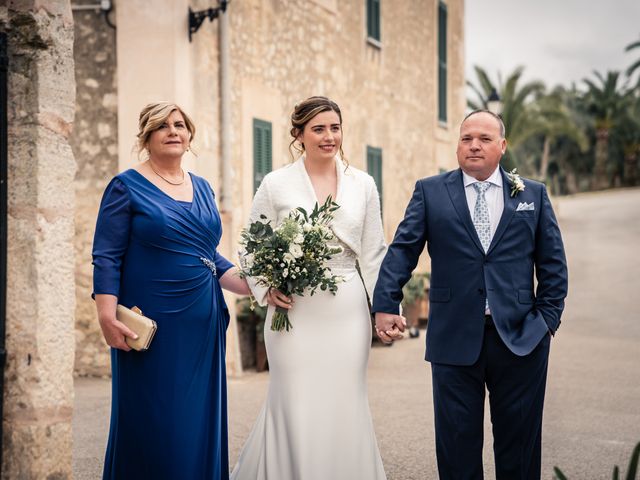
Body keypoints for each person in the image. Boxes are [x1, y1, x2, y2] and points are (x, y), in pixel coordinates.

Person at [372, 110, 568, 479]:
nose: (474, 145)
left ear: (502, 146)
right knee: (457, 445)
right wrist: (385, 304)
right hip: (453, 337)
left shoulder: (533, 195)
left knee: (520, 445)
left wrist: (547, 321)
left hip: (521, 339)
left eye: (484, 138)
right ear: (458, 145)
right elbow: (402, 249)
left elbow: (553, 263)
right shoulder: (430, 191)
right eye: (466, 138)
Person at [231, 96, 388, 480]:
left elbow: (373, 253)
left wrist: (385, 306)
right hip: (293, 311)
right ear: (299, 134)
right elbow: (251, 243)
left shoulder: (363, 184)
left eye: (335, 127)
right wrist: (266, 288)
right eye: (319, 129)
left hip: (347, 310)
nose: (329, 136)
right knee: (294, 399)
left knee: (345, 398)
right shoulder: (275, 183)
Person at [92, 101, 250, 480]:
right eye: (162, 126)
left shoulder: (203, 187)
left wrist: (251, 285)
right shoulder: (125, 186)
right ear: (146, 138)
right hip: (151, 327)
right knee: (156, 420)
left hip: (202, 325)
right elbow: (107, 256)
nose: (173, 131)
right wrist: (106, 315)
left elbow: (207, 254)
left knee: (196, 419)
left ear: (189, 135)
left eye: (179, 124)